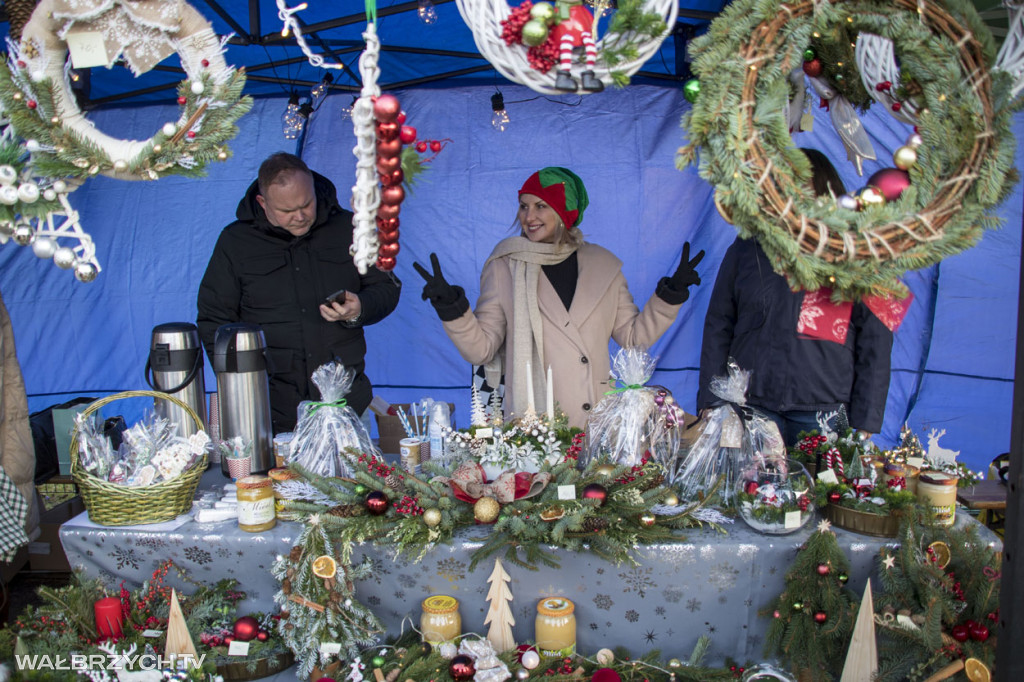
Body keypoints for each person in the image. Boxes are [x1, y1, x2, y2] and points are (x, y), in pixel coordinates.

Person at [414, 166, 704, 429]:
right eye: (524, 206)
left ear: (564, 212)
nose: (529, 217)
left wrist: (671, 294)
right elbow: (482, 350)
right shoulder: (504, 266)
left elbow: (632, 337)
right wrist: (452, 308)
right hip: (536, 427)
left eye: (541, 206)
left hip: (600, 422)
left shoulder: (604, 265)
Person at [697, 148, 894, 445]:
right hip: (752, 405)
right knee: (750, 490)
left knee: (819, 491)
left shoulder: (863, 251)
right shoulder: (746, 247)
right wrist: (711, 399)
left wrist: (866, 418)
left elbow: (878, 341)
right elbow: (718, 324)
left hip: (824, 411)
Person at [197, 153, 401, 433]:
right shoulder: (235, 243)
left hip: (346, 403)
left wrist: (360, 308)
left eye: (306, 204)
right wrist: (238, 387)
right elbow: (214, 320)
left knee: (353, 477)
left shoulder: (351, 228)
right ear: (263, 203)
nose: (300, 216)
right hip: (267, 410)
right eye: (287, 211)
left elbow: (387, 287)